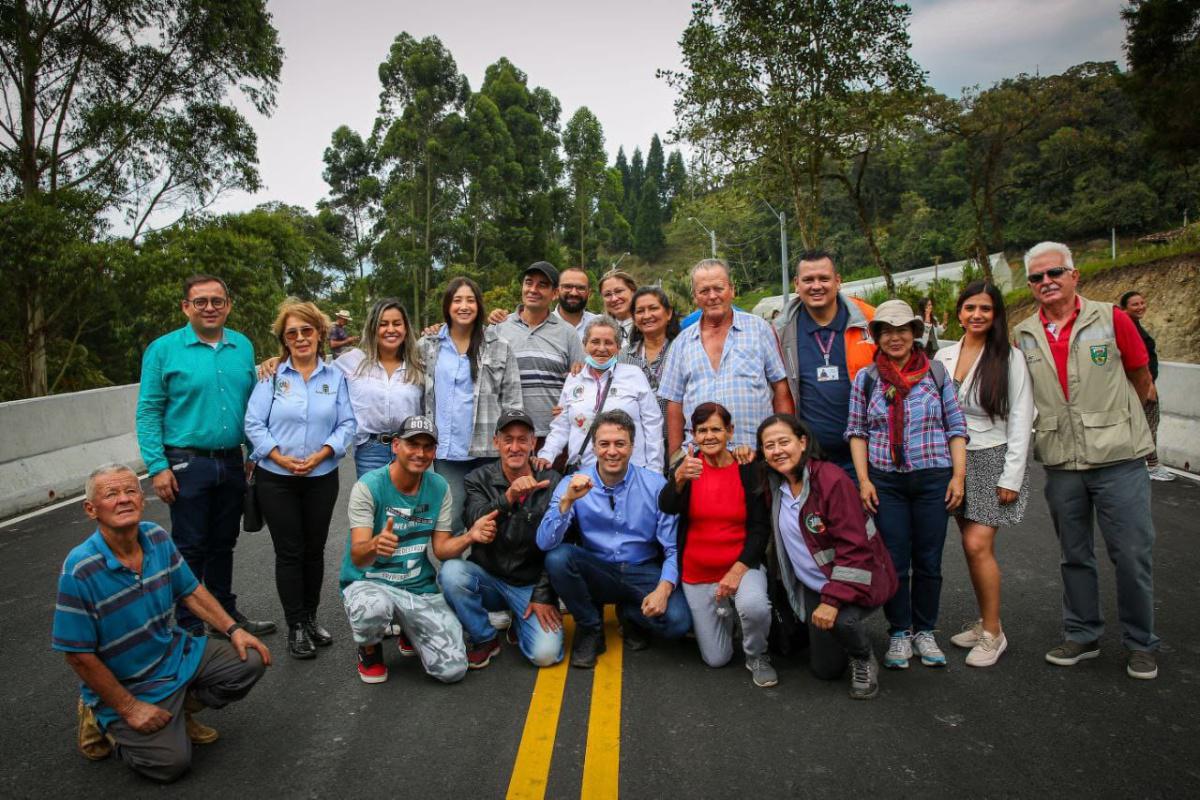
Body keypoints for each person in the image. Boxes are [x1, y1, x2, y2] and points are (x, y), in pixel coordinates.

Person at [55, 464, 271, 783]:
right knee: (171, 765)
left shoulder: (156, 537)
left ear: (142, 500)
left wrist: (233, 630)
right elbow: (77, 654)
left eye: (130, 491)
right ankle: (98, 713)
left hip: (171, 656)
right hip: (126, 682)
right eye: (111, 494)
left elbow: (191, 591)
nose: (124, 499)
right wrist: (129, 708)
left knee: (250, 660)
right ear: (91, 509)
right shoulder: (80, 569)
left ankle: (176, 712)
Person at [1015, 242, 1160, 680]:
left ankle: (1141, 643)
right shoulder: (1023, 334)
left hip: (1118, 460)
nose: (1047, 282)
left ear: (1074, 275)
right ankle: (1082, 634)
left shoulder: (1112, 318)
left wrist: (1129, 431)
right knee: (1073, 554)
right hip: (1062, 462)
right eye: (1037, 278)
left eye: (1055, 272)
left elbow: (1142, 379)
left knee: (1132, 554)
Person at [135, 273, 275, 638]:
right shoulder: (163, 350)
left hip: (231, 460)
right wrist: (157, 467)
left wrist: (252, 452)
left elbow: (250, 405)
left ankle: (224, 616)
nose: (210, 308)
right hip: (186, 462)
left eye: (217, 301)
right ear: (186, 307)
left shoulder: (242, 346)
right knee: (190, 545)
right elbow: (149, 410)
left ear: (228, 306)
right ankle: (189, 624)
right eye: (201, 302)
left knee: (223, 543)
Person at [846, 299, 968, 670]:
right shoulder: (866, 379)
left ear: (915, 333)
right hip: (887, 482)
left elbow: (956, 427)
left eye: (902, 330)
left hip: (933, 478)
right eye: (886, 330)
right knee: (895, 561)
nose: (895, 337)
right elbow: (857, 432)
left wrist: (958, 476)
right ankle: (900, 631)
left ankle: (925, 630)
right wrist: (864, 480)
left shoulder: (936, 374)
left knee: (928, 560)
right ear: (877, 336)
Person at [244, 300, 356, 659]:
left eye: (306, 330)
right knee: (289, 552)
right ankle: (295, 625)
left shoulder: (335, 377)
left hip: (321, 476)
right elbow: (253, 423)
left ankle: (310, 618)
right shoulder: (272, 376)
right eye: (292, 333)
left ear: (319, 333)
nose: (300, 338)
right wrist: (277, 456)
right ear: (284, 339)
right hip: (276, 477)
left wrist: (324, 452)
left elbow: (347, 423)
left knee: (314, 550)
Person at [537, 410, 691, 668]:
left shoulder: (654, 485)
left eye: (620, 444)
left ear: (632, 447)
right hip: (597, 569)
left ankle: (631, 613)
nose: (612, 451)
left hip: (641, 569)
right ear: (594, 447)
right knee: (558, 558)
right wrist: (567, 502)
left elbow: (672, 548)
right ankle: (590, 626)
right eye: (604, 444)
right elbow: (544, 543)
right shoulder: (572, 483)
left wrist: (663, 591)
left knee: (678, 622)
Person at [757, 416, 897, 700]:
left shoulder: (831, 479)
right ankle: (836, 635)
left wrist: (832, 602)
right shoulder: (774, 485)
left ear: (803, 442)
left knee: (841, 621)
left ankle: (863, 656)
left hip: (857, 578)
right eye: (768, 446)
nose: (777, 450)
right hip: (814, 585)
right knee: (825, 670)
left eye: (784, 442)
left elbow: (855, 549)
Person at [934, 282, 1034, 667]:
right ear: (959, 312)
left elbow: (1022, 418)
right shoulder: (943, 355)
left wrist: (1011, 476)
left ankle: (994, 633)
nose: (977, 315)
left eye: (986, 309)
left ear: (996, 315)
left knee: (978, 546)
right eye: (970, 307)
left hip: (993, 459)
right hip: (953, 461)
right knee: (969, 548)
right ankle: (985, 621)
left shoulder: (1009, 359)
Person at [339, 415, 468, 684]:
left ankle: (409, 627)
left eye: (428, 447)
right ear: (396, 445)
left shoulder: (439, 487)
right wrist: (375, 544)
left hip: (416, 586)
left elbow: (442, 550)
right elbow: (358, 556)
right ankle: (369, 649)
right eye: (412, 444)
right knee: (373, 607)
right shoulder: (368, 486)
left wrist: (473, 536)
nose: (420, 453)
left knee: (453, 670)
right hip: (370, 582)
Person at [657, 403, 775, 688]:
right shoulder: (689, 466)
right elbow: (667, 506)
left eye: (715, 429)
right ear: (693, 435)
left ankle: (757, 654)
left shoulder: (747, 468)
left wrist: (737, 571)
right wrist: (680, 479)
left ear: (730, 431)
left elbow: (760, 528)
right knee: (717, 658)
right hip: (698, 571)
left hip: (741, 566)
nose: (709, 436)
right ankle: (728, 615)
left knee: (755, 606)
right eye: (701, 430)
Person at [438, 409, 565, 669]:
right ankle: (484, 638)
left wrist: (543, 594)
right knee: (451, 573)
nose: (515, 447)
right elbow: (475, 517)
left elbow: (561, 543)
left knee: (546, 655)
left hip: (530, 584)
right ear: (496, 442)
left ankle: (520, 619)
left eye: (522, 439)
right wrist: (507, 499)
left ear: (534, 443)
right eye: (508, 439)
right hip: (490, 579)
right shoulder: (477, 478)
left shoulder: (551, 480)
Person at [659, 259, 794, 461]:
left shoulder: (759, 330)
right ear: (695, 296)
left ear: (731, 290)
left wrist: (782, 442)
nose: (712, 296)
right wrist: (676, 459)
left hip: (754, 455)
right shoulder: (681, 343)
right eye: (704, 291)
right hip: (700, 460)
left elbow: (781, 388)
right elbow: (674, 405)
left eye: (718, 288)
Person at [418, 277, 524, 534]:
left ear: (479, 305)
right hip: (447, 451)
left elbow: (512, 399)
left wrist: (513, 444)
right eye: (457, 300)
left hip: (487, 448)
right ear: (447, 306)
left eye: (470, 300)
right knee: (450, 522)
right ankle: (453, 573)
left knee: (492, 520)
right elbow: (419, 394)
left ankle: (484, 573)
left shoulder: (499, 345)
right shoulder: (428, 346)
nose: (464, 306)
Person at [773, 250, 876, 474]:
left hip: (868, 454)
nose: (816, 286)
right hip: (811, 458)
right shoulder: (781, 331)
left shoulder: (870, 322)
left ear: (838, 281)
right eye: (808, 280)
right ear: (796, 284)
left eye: (824, 279)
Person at [536, 315, 662, 472]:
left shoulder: (634, 375)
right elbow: (562, 425)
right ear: (584, 345)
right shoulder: (574, 379)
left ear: (618, 347)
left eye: (608, 342)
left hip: (631, 471)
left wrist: (654, 469)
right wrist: (547, 454)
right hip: (584, 473)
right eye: (595, 342)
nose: (601, 348)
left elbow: (653, 424)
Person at [494, 262, 587, 442]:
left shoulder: (568, 333)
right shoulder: (499, 328)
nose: (533, 289)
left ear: (555, 294)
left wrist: (571, 407)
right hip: (510, 435)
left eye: (542, 285)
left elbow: (582, 384)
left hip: (554, 436)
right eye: (529, 283)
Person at [336, 298, 426, 477]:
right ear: (372, 329)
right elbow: (316, 372)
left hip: (410, 449)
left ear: (405, 328)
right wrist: (280, 360)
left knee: (407, 504)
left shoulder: (419, 364)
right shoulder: (352, 361)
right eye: (383, 324)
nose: (390, 329)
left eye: (397, 324)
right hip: (370, 451)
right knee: (372, 504)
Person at [622, 286, 681, 471]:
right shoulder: (624, 356)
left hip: (676, 442)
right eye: (640, 311)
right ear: (634, 318)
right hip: (636, 447)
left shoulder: (682, 349)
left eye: (653, 308)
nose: (647, 315)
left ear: (669, 313)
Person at [1119, 289, 1173, 482]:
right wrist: (1148, 385)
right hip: (1141, 385)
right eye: (1135, 304)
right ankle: (1152, 465)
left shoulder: (1131, 324)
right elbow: (1137, 359)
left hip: (1139, 384)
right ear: (1124, 308)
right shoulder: (1128, 327)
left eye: (1142, 302)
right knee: (1149, 424)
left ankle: (1135, 463)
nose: (1141, 306)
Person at [598, 269, 638, 339]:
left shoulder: (649, 326)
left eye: (619, 291)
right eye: (607, 294)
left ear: (633, 291)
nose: (614, 299)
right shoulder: (599, 330)